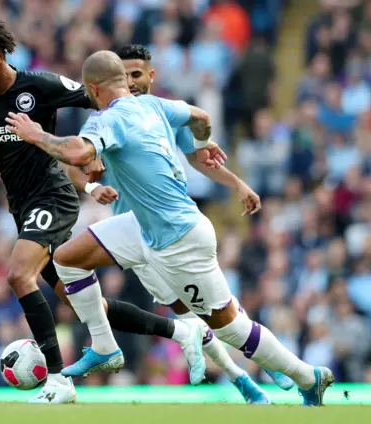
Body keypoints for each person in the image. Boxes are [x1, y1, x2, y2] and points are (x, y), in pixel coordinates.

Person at [5, 50, 335, 407]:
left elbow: (79, 154)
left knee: (229, 327)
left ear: (93, 88)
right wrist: (202, 143)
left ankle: (307, 376)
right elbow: (201, 116)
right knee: (67, 259)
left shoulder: (107, 120)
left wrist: (35, 134)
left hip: (178, 239)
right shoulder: (155, 105)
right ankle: (104, 346)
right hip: (144, 226)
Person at [0, 19, 223, 404]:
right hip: (22, 207)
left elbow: (104, 100)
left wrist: (100, 151)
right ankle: (180, 332)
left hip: (53, 198)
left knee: (19, 275)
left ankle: (58, 380)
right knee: (82, 302)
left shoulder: (39, 86)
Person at [65, 44, 294, 404]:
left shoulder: (161, 112)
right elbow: (74, 164)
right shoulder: (107, 119)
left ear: (149, 76)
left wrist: (237, 184)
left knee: (206, 314)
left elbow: (202, 155)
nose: (130, 82)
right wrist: (93, 184)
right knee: (194, 316)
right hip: (133, 230)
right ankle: (246, 377)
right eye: (123, 76)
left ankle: (260, 363)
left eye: (135, 74)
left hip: (166, 230)